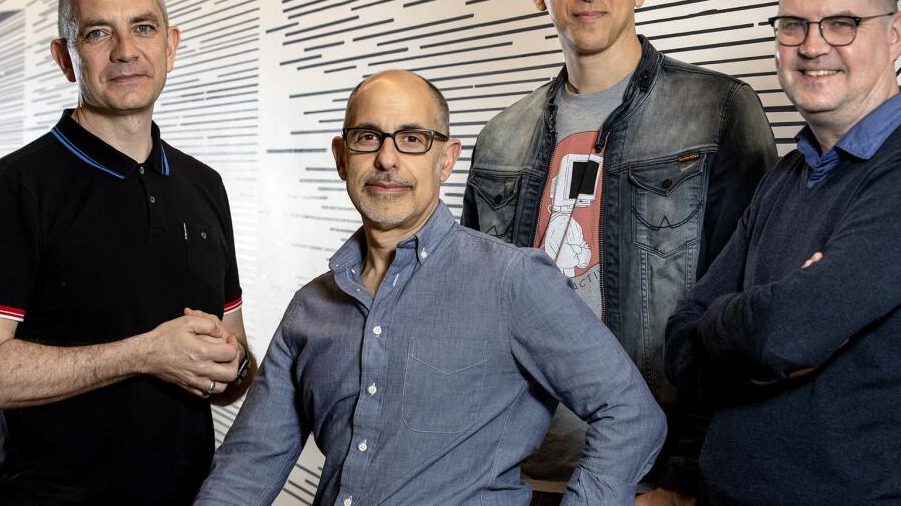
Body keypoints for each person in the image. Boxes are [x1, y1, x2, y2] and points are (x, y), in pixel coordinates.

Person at [197, 70, 667, 505]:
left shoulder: (513, 281)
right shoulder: (311, 308)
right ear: (342, 159)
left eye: (412, 139)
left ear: (446, 159)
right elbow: (248, 464)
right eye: (368, 138)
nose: (386, 158)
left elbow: (630, 415)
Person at [461, 0, 777, 505]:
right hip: (511, 476)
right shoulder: (500, 140)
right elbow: (470, 315)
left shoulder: (717, 113)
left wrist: (682, 478)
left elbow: (744, 313)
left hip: (646, 478)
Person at [664, 0, 901, 504]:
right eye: (793, 25)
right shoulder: (787, 175)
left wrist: (740, 322)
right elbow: (678, 343)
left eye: (842, 23)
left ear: (894, 34)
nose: (813, 46)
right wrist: (757, 322)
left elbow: (784, 332)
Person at [0, 0, 255, 505]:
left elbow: (231, 370)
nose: (127, 51)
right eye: (97, 34)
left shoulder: (204, 185)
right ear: (66, 58)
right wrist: (144, 353)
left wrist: (232, 366)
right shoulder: (17, 186)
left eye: (143, 27)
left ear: (171, 44)